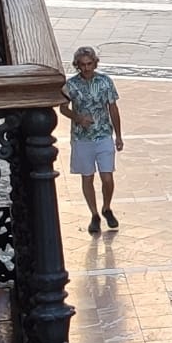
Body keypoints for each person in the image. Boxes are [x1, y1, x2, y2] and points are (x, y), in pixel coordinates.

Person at [59, 45, 123, 233]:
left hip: (103, 134)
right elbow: (63, 108)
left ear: (95, 63)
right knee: (87, 177)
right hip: (82, 138)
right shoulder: (71, 85)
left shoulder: (105, 82)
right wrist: (78, 118)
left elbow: (113, 108)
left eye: (89, 64)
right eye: (82, 65)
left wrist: (118, 135)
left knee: (107, 176)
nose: (86, 68)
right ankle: (94, 213)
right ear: (77, 65)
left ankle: (107, 207)